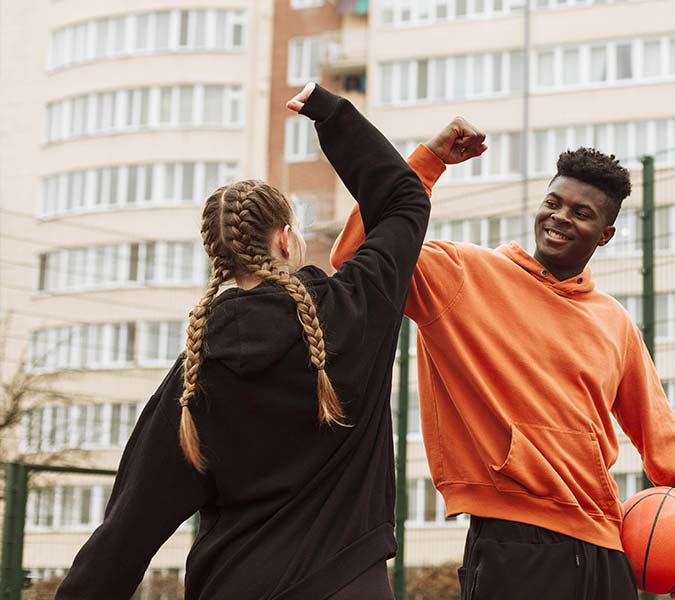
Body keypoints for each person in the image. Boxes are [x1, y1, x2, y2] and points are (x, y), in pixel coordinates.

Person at [55, 83, 484, 599]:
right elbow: (402, 201)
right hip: (348, 585)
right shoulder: (355, 307)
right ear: (286, 238)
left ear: (218, 256)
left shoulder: (196, 371)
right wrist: (333, 114)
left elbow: (128, 530)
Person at [329, 127, 675, 599]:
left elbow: (659, 432)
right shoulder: (461, 276)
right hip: (514, 543)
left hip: (604, 547)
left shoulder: (614, 322)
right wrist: (427, 165)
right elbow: (356, 256)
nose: (559, 218)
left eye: (581, 213)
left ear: (605, 235)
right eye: (554, 202)